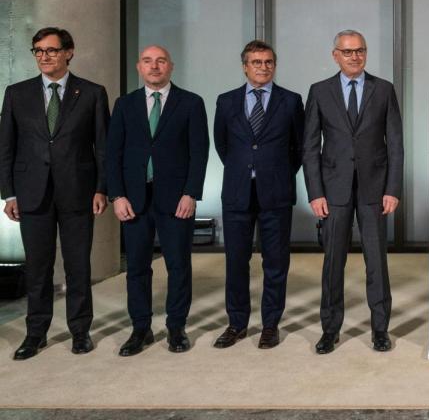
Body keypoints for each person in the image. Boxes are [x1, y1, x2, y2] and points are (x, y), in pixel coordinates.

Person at [0, 27, 109, 360]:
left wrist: (102, 188)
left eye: (50, 50)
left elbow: (103, 147)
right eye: (38, 51)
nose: (44, 57)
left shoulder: (91, 93)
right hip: (32, 194)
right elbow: (5, 147)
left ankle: (80, 332)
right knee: (37, 268)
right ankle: (35, 334)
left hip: (78, 192)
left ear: (69, 52)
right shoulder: (16, 93)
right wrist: (9, 194)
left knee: (78, 267)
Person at [303, 30, 403, 355]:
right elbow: (309, 147)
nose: (355, 57)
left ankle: (380, 330)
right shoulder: (319, 92)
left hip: (375, 190)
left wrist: (393, 189)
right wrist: (315, 193)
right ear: (336, 56)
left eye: (360, 51)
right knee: (333, 262)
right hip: (333, 191)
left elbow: (396, 146)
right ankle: (330, 330)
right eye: (347, 52)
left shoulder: (384, 89)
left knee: (377, 262)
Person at [106, 45, 209, 356]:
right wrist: (117, 195)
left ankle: (176, 327)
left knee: (178, 265)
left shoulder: (191, 103)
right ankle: (141, 328)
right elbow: (113, 154)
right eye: (148, 61)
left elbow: (199, 152)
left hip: (177, 199)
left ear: (171, 66)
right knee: (137, 267)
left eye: (160, 61)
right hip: (134, 200)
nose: (154, 67)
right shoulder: (124, 105)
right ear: (139, 67)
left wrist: (191, 193)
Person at [212, 40, 304, 350]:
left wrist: (274, 172)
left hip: (276, 194)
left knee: (275, 262)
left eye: (267, 62)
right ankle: (237, 323)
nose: (262, 67)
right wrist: (245, 170)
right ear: (244, 66)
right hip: (237, 193)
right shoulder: (226, 101)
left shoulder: (291, 101)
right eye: (255, 62)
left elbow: (298, 148)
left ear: (274, 65)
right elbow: (223, 145)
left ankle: (270, 325)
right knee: (236, 261)